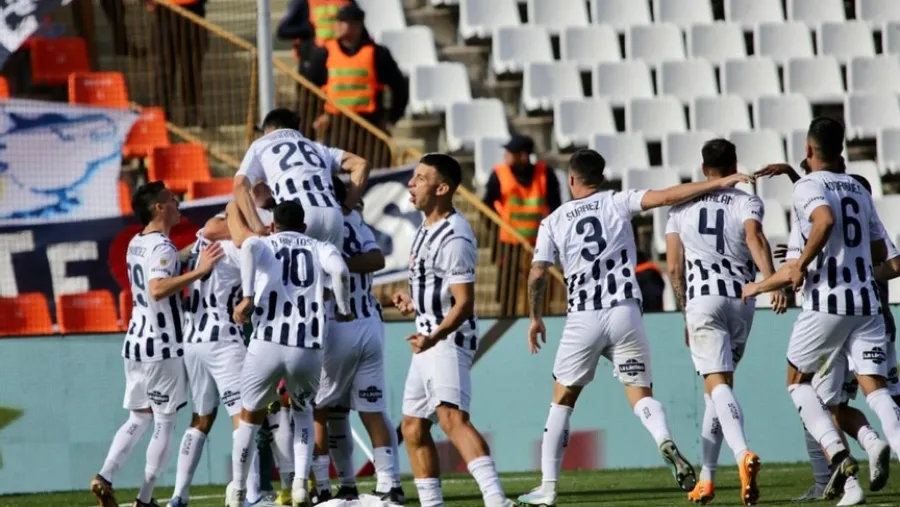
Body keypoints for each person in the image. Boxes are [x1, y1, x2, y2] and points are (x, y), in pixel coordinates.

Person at [520, 148, 754, 507]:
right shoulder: (618, 202)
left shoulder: (553, 220)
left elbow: (537, 273)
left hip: (584, 316)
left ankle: (548, 488)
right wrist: (719, 182)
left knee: (562, 401)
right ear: (602, 177)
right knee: (640, 393)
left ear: (571, 180)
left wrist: (535, 317)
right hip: (625, 312)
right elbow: (666, 197)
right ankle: (663, 438)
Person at [743, 117, 900, 501]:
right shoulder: (859, 190)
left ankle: (842, 459)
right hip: (869, 304)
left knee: (798, 384)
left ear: (809, 150)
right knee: (876, 390)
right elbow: (882, 253)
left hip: (828, 303)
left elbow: (824, 219)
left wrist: (771, 279)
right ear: (842, 150)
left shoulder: (809, 190)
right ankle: (872, 445)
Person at [391, 153, 516, 507]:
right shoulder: (425, 227)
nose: (411, 184)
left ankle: (496, 500)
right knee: (412, 427)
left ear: (442, 188)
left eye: (420, 178)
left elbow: (463, 303)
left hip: (446, 339)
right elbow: (439, 289)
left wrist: (435, 336)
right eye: (412, 176)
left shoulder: (455, 235)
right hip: (428, 336)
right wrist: (414, 303)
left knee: (452, 418)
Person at [665, 139, 786, 506]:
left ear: (704, 171)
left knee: (716, 385)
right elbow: (756, 238)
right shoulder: (747, 201)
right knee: (717, 390)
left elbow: (673, 266)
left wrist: (685, 309)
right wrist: (771, 282)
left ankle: (742, 454)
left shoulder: (680, 208)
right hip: (742, 300)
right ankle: (706, 479)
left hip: (703, 300)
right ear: (735, 165)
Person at [91, 181, 224, 507]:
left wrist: (188, 255)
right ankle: (145, 499)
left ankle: (105, 476)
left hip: (136, 343)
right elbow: (157, 287)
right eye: (171, 199)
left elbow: (158, 268)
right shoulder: (161, 247)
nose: (178, 202)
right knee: (164, 424)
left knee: (138, 418)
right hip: (163, 346)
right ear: (159, 208)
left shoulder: (138, 241)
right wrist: (201, 271)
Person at [226, 200, 353, 507]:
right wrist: (344, 307)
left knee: (249, 416)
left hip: (267, 341)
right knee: (303, 411)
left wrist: (246, 297)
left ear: (273, 225)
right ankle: (298, 486)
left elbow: (248, 248)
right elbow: (341, 271)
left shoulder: (264, 242)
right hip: (306, 347)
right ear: (304, 227)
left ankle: (239, 489)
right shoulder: (320, 247)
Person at [167, 209, 278, 507]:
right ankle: (253, 495)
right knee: (246, 418)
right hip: (223, 340)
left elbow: (207, 229)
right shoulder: (240, 250)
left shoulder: (204, 241)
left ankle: (179, 495)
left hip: (193, 340)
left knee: (200, 418)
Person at [309, 177, 405, 504]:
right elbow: (377, 260)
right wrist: (346, 265)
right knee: (372, 408)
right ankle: (389, 484)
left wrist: (334, 267)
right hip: (370, 324)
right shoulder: (354, 220)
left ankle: (324, 488)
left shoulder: (315, 223)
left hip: (336, 323)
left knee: (319, 409)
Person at [232, 107, 371, 247]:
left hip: (295, 217)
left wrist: (258, 228)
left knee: (290, 268)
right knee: (331, 267)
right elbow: (361, 164)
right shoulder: (318, 147)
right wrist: (347, 207)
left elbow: (240, 185)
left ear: (267, 129)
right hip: (333, 216)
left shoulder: (260, 144)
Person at [302, 4, 409, 132]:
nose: (342, 26)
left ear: (359, 25)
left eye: (347, 22)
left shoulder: (378, 53)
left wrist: (392, 118)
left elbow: (399, 86)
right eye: (340, 22)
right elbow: (310, 88)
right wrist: (317, 116)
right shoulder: (324, 53)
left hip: (369, 125)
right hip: (336, 125)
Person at [482, 134, 562, 245]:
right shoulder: (499, 174)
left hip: (537, 245)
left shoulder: (545, 174)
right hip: (507, 246)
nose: (506, 155)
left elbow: (556, 208)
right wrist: (496, 232)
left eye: (511, 152)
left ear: (524, 156)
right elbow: (486, 207)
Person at [150, 0, 208, 126]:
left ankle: (192, 114)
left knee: (191, 68)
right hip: (165, 10)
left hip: (193, 9)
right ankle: (161, 117)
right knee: (164, 69)